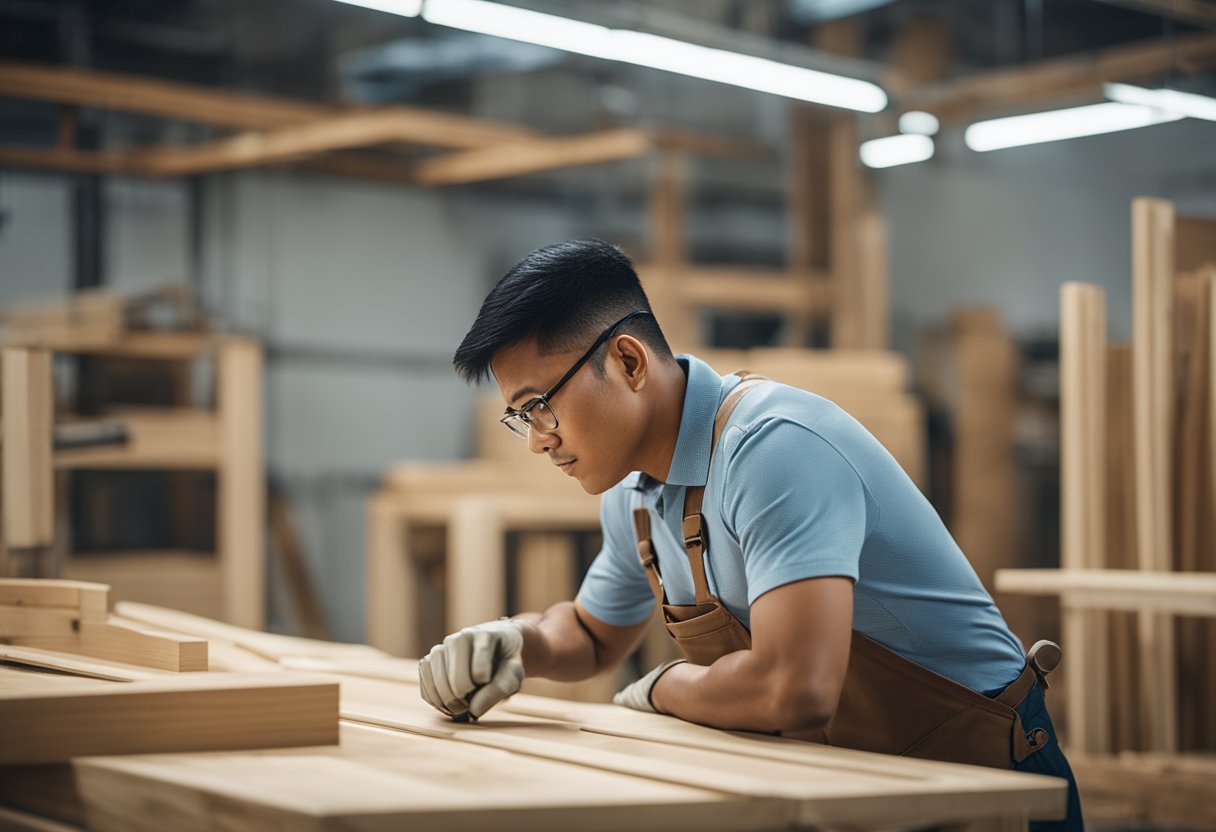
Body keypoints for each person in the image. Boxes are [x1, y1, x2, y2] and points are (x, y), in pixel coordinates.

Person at [418, 238, 1082, 830]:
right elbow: (593, 634)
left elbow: (795, 689)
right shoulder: (634, 496)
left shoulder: (772, 449)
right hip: (866, 787)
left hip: (988, 783)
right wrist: (518, 642)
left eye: (540, 405)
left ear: (627, 361)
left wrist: (664, 687)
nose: (537, 441)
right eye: (519, 417)